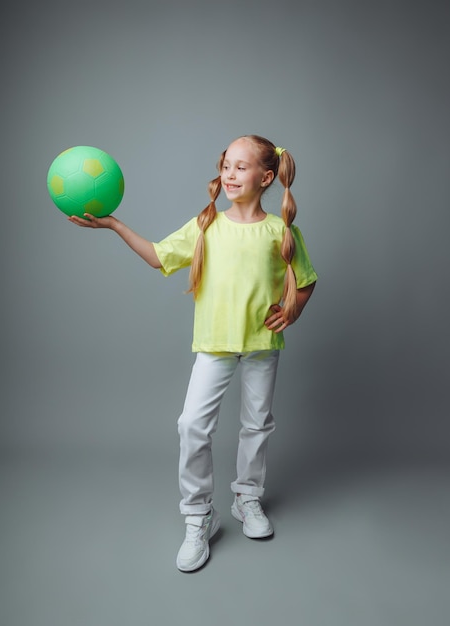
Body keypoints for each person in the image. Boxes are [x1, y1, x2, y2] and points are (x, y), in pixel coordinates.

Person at [69, 134, 317, 572]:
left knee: (257, 424)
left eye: (242, 167)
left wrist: (292, 310)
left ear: (266, 176)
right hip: (214, 345)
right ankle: (199, 514)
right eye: (226, 165)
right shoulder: (206, 226)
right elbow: (159, 256)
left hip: (261, 345)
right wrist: (115, 226)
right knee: (192, 426)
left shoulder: (281, 230)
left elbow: (307, 278)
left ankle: (247, 498)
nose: (230, 173)